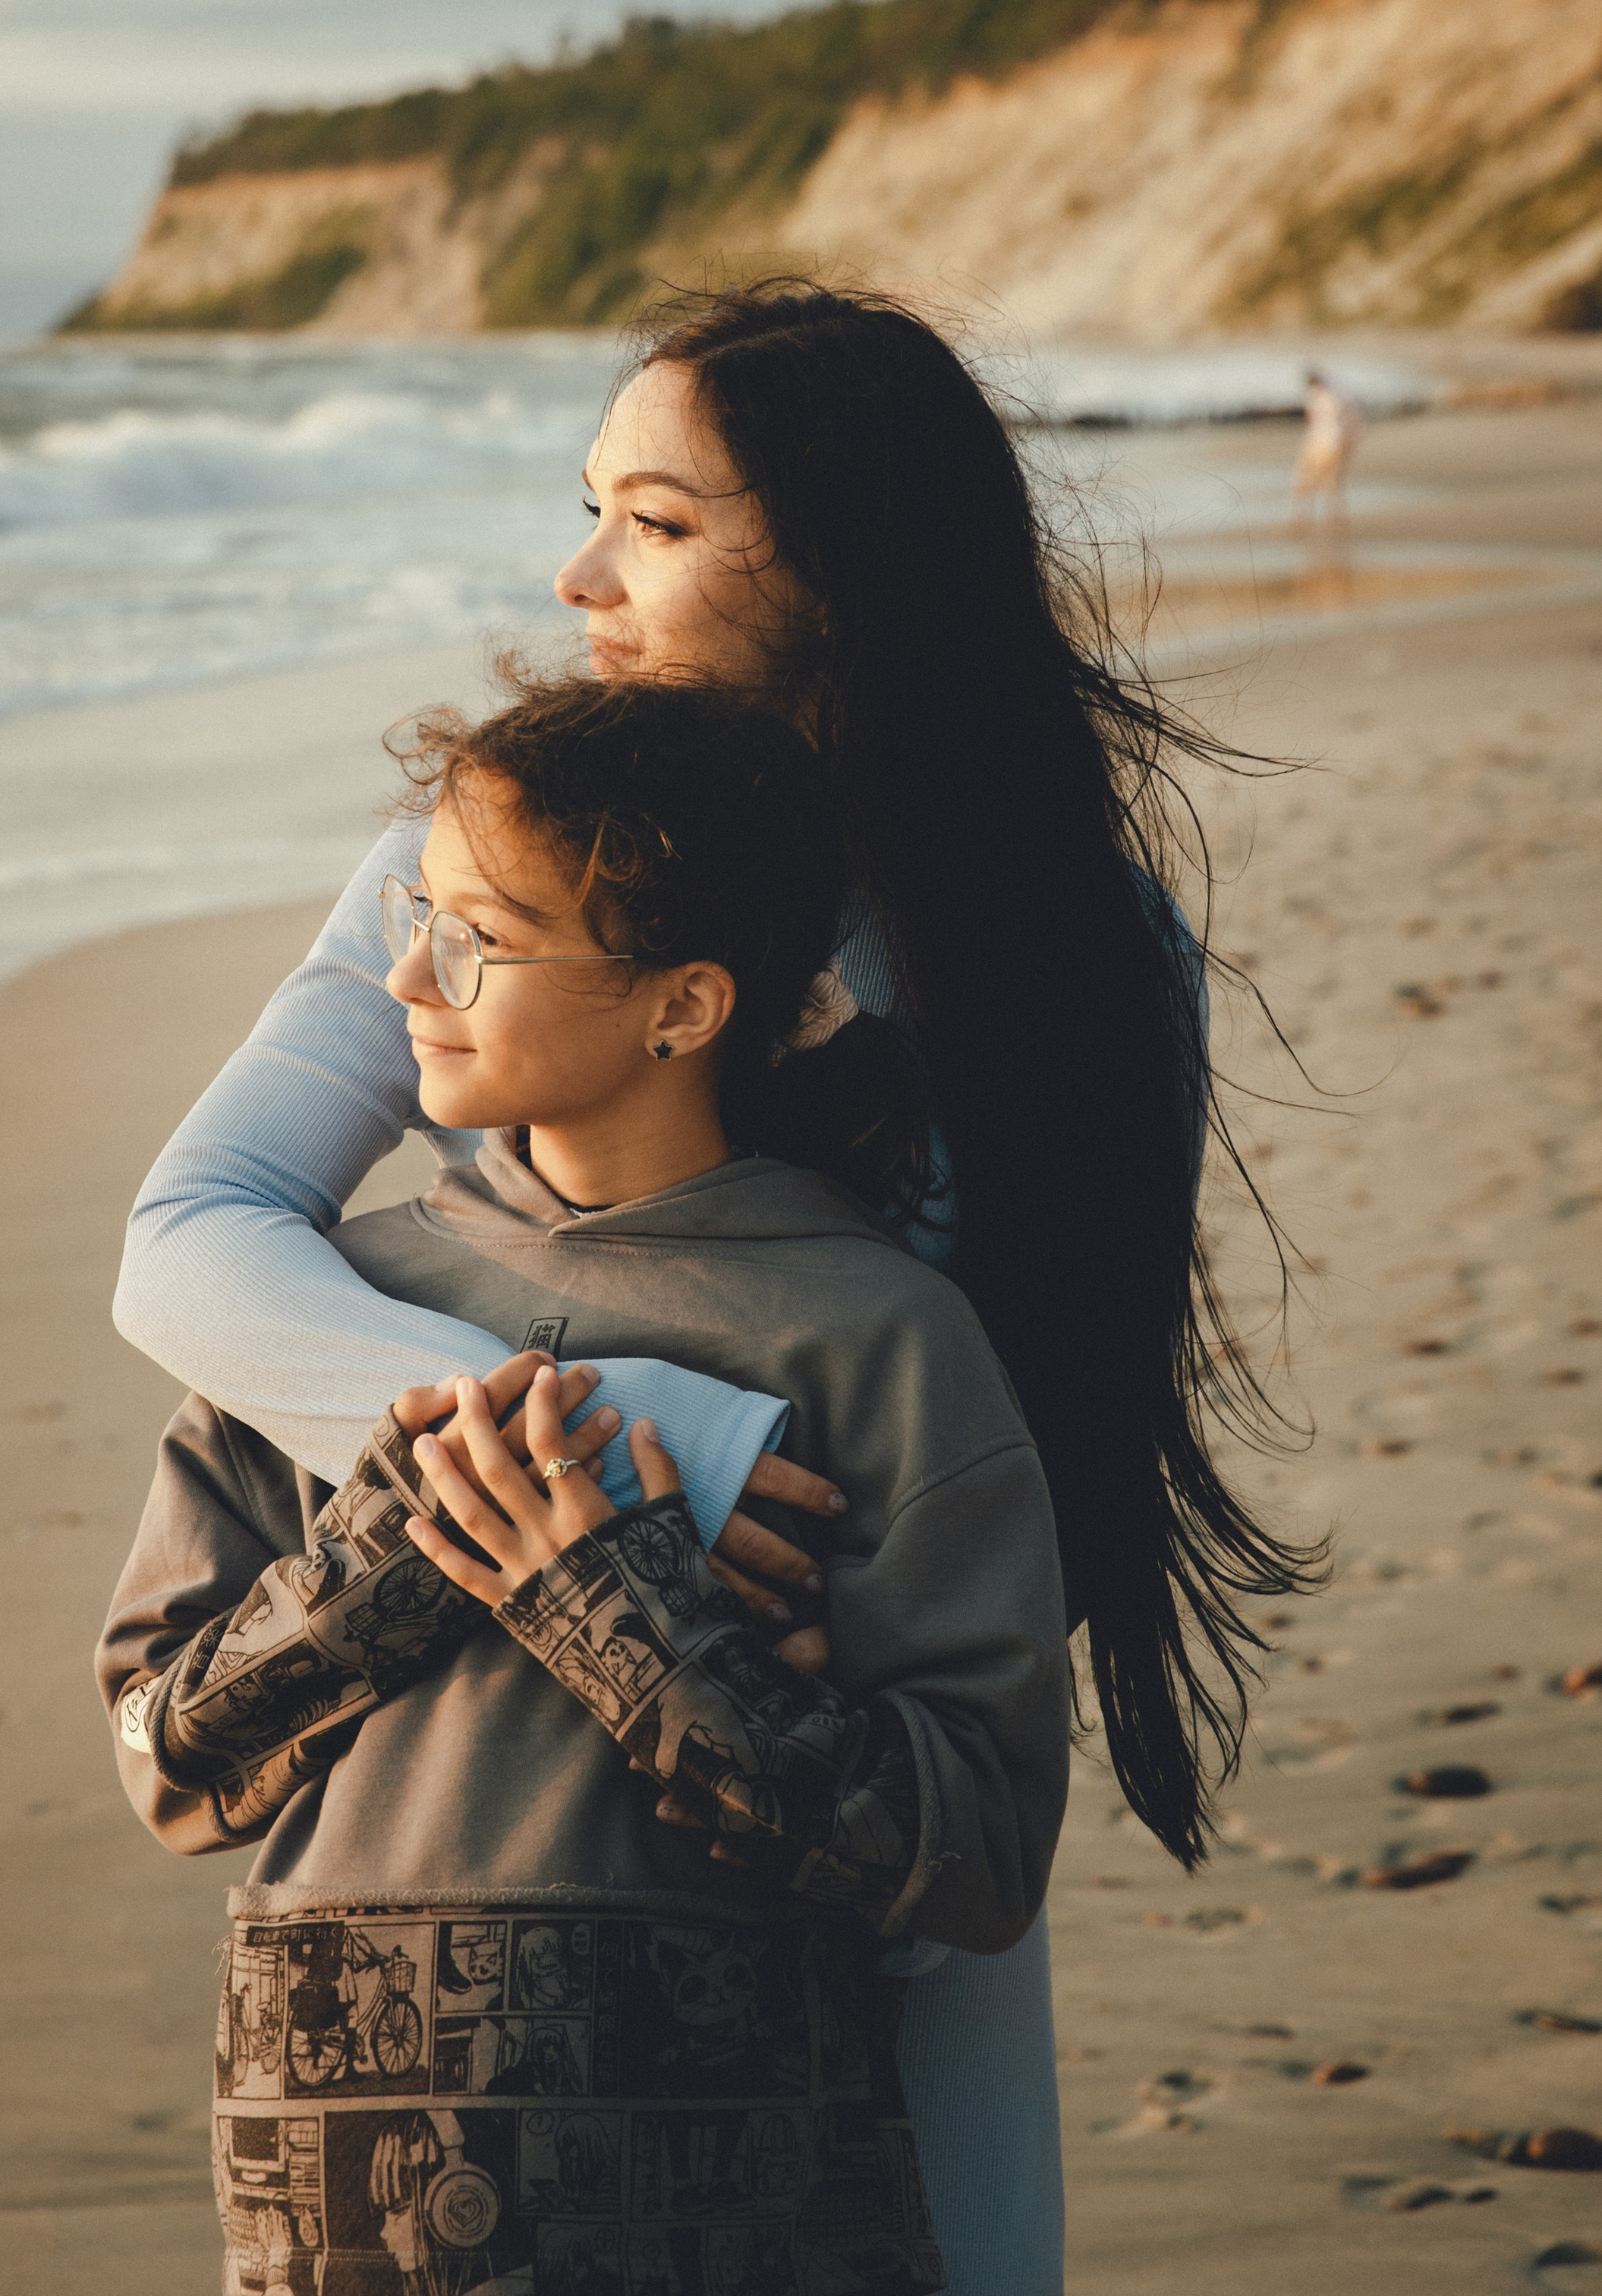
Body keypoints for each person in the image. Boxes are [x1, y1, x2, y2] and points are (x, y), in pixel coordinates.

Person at [113, 282, 1319, 2292]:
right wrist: (639, 1455)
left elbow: (1048, 1412)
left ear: (848, 568)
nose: (582, 573)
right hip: (490, 1821)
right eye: (593, 506)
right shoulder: (468, 871)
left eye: (660, 526)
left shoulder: (1083, 939)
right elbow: (197, 1241)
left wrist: (880, 1792)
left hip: (876, 1786)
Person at [100, 676, 1072, 2296]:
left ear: (681, 1006)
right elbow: (163, 1756)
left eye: (479, 938)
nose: (407, 975)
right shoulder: (325, 1315)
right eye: (421, 913)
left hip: (734, 2212)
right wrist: (414, 1529)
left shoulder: (876, 1339)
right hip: (325, 2217)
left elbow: (969, 1856)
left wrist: (620, 1614)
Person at [1291, 368, 1367, 524]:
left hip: (1319, 442)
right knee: (1331, 481)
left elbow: (1310, 419)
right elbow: (1354, 418)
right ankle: (1336, 516)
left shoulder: (1317, 397)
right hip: (1333, 441)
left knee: (1306, 479)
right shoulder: (1338, 395)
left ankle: (1303, 517)